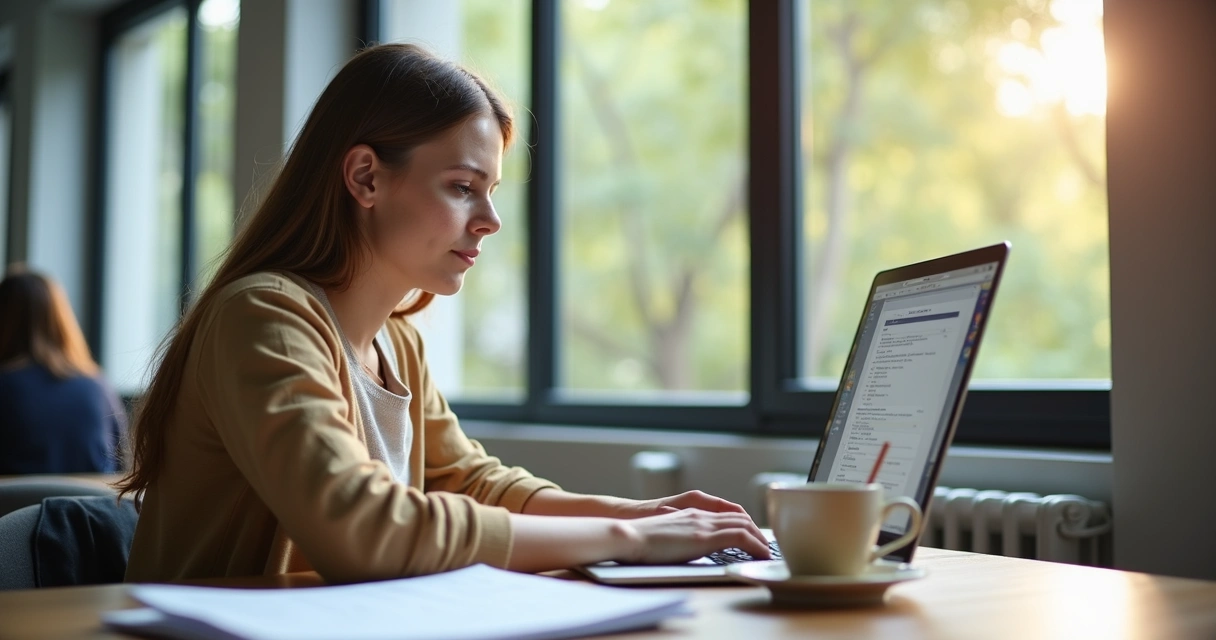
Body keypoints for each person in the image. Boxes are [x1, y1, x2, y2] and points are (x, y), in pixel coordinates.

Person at [117, 43, 769, 584]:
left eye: (490, 192)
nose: (490, 221)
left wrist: (650, 516)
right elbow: (360, 529)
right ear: (366, 178)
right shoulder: (262, 318)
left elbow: (472, 483)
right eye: (462, 188)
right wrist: (626, 536)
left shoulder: (397, 342)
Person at [0, 267, 127, 474]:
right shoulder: (98, 387)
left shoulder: (4, 386)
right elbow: (121, 472)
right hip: (87, 506)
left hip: (13, 507)